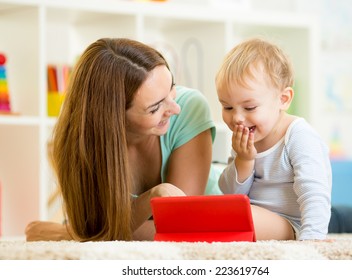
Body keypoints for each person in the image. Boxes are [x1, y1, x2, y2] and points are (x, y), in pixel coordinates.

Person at [25, 38, 220, 242]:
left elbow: (182, 227)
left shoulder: (189, 108)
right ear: (113, 118)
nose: (175, 108)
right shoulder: (83, 144)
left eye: (172, 87)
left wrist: (70, 234)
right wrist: (152, 196)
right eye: (155, 108)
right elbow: (94, 223)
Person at [215, 37, 332, 241]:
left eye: (249, 107)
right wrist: (244, 160)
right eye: (227, 107)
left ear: (283, 99)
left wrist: (313, 237)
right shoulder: (247, 134)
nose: (237, 118)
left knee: (239, 218)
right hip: (257, 217)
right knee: (225, 213)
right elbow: (230, 193)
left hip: (291, 223)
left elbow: (314, 191)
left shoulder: (299, 136)